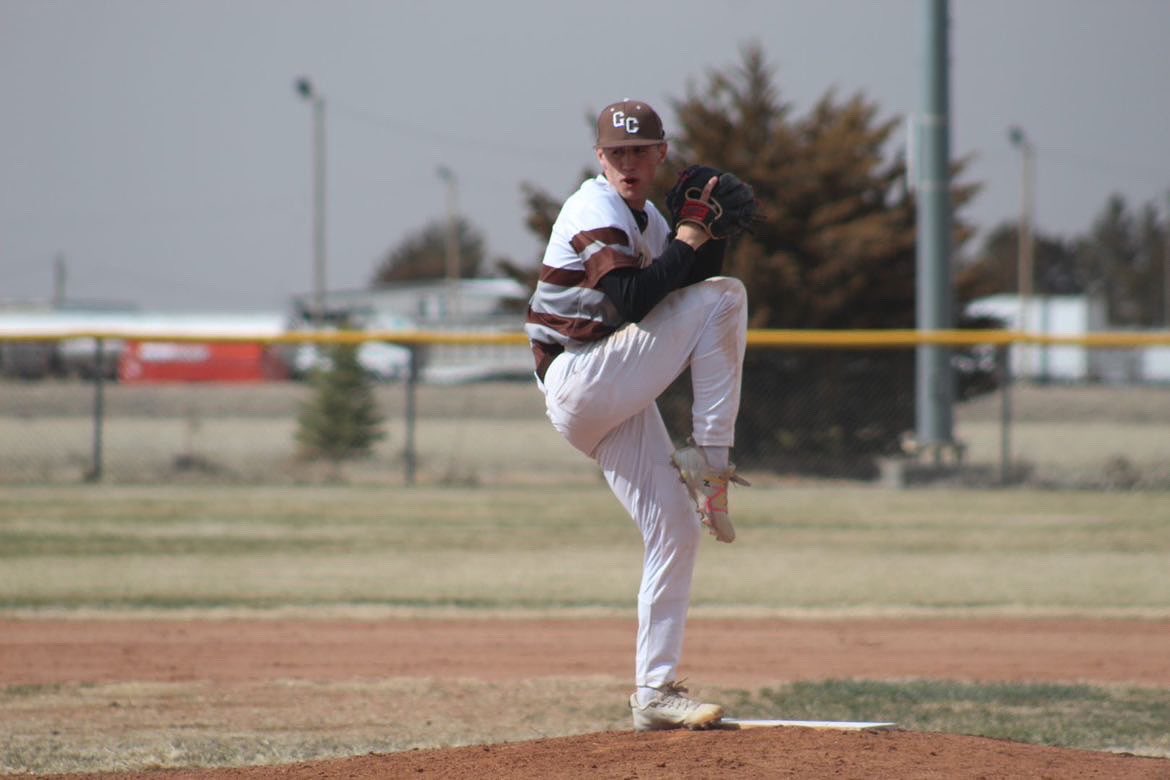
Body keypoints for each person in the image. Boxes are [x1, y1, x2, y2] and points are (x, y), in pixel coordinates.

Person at [524, 99, 749, 731]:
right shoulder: (591, 206)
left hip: (608, 390)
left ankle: (654, 694)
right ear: (600, 158)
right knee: (729, 300)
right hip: (579, 377)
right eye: (617, 152)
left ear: (660, 154)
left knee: (674, 528)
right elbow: (629, 298)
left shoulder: (646, 216)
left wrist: (713, 234)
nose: (628, 162)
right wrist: (690, 236)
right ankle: (712, 463)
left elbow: (683, 291)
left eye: (639, 151)